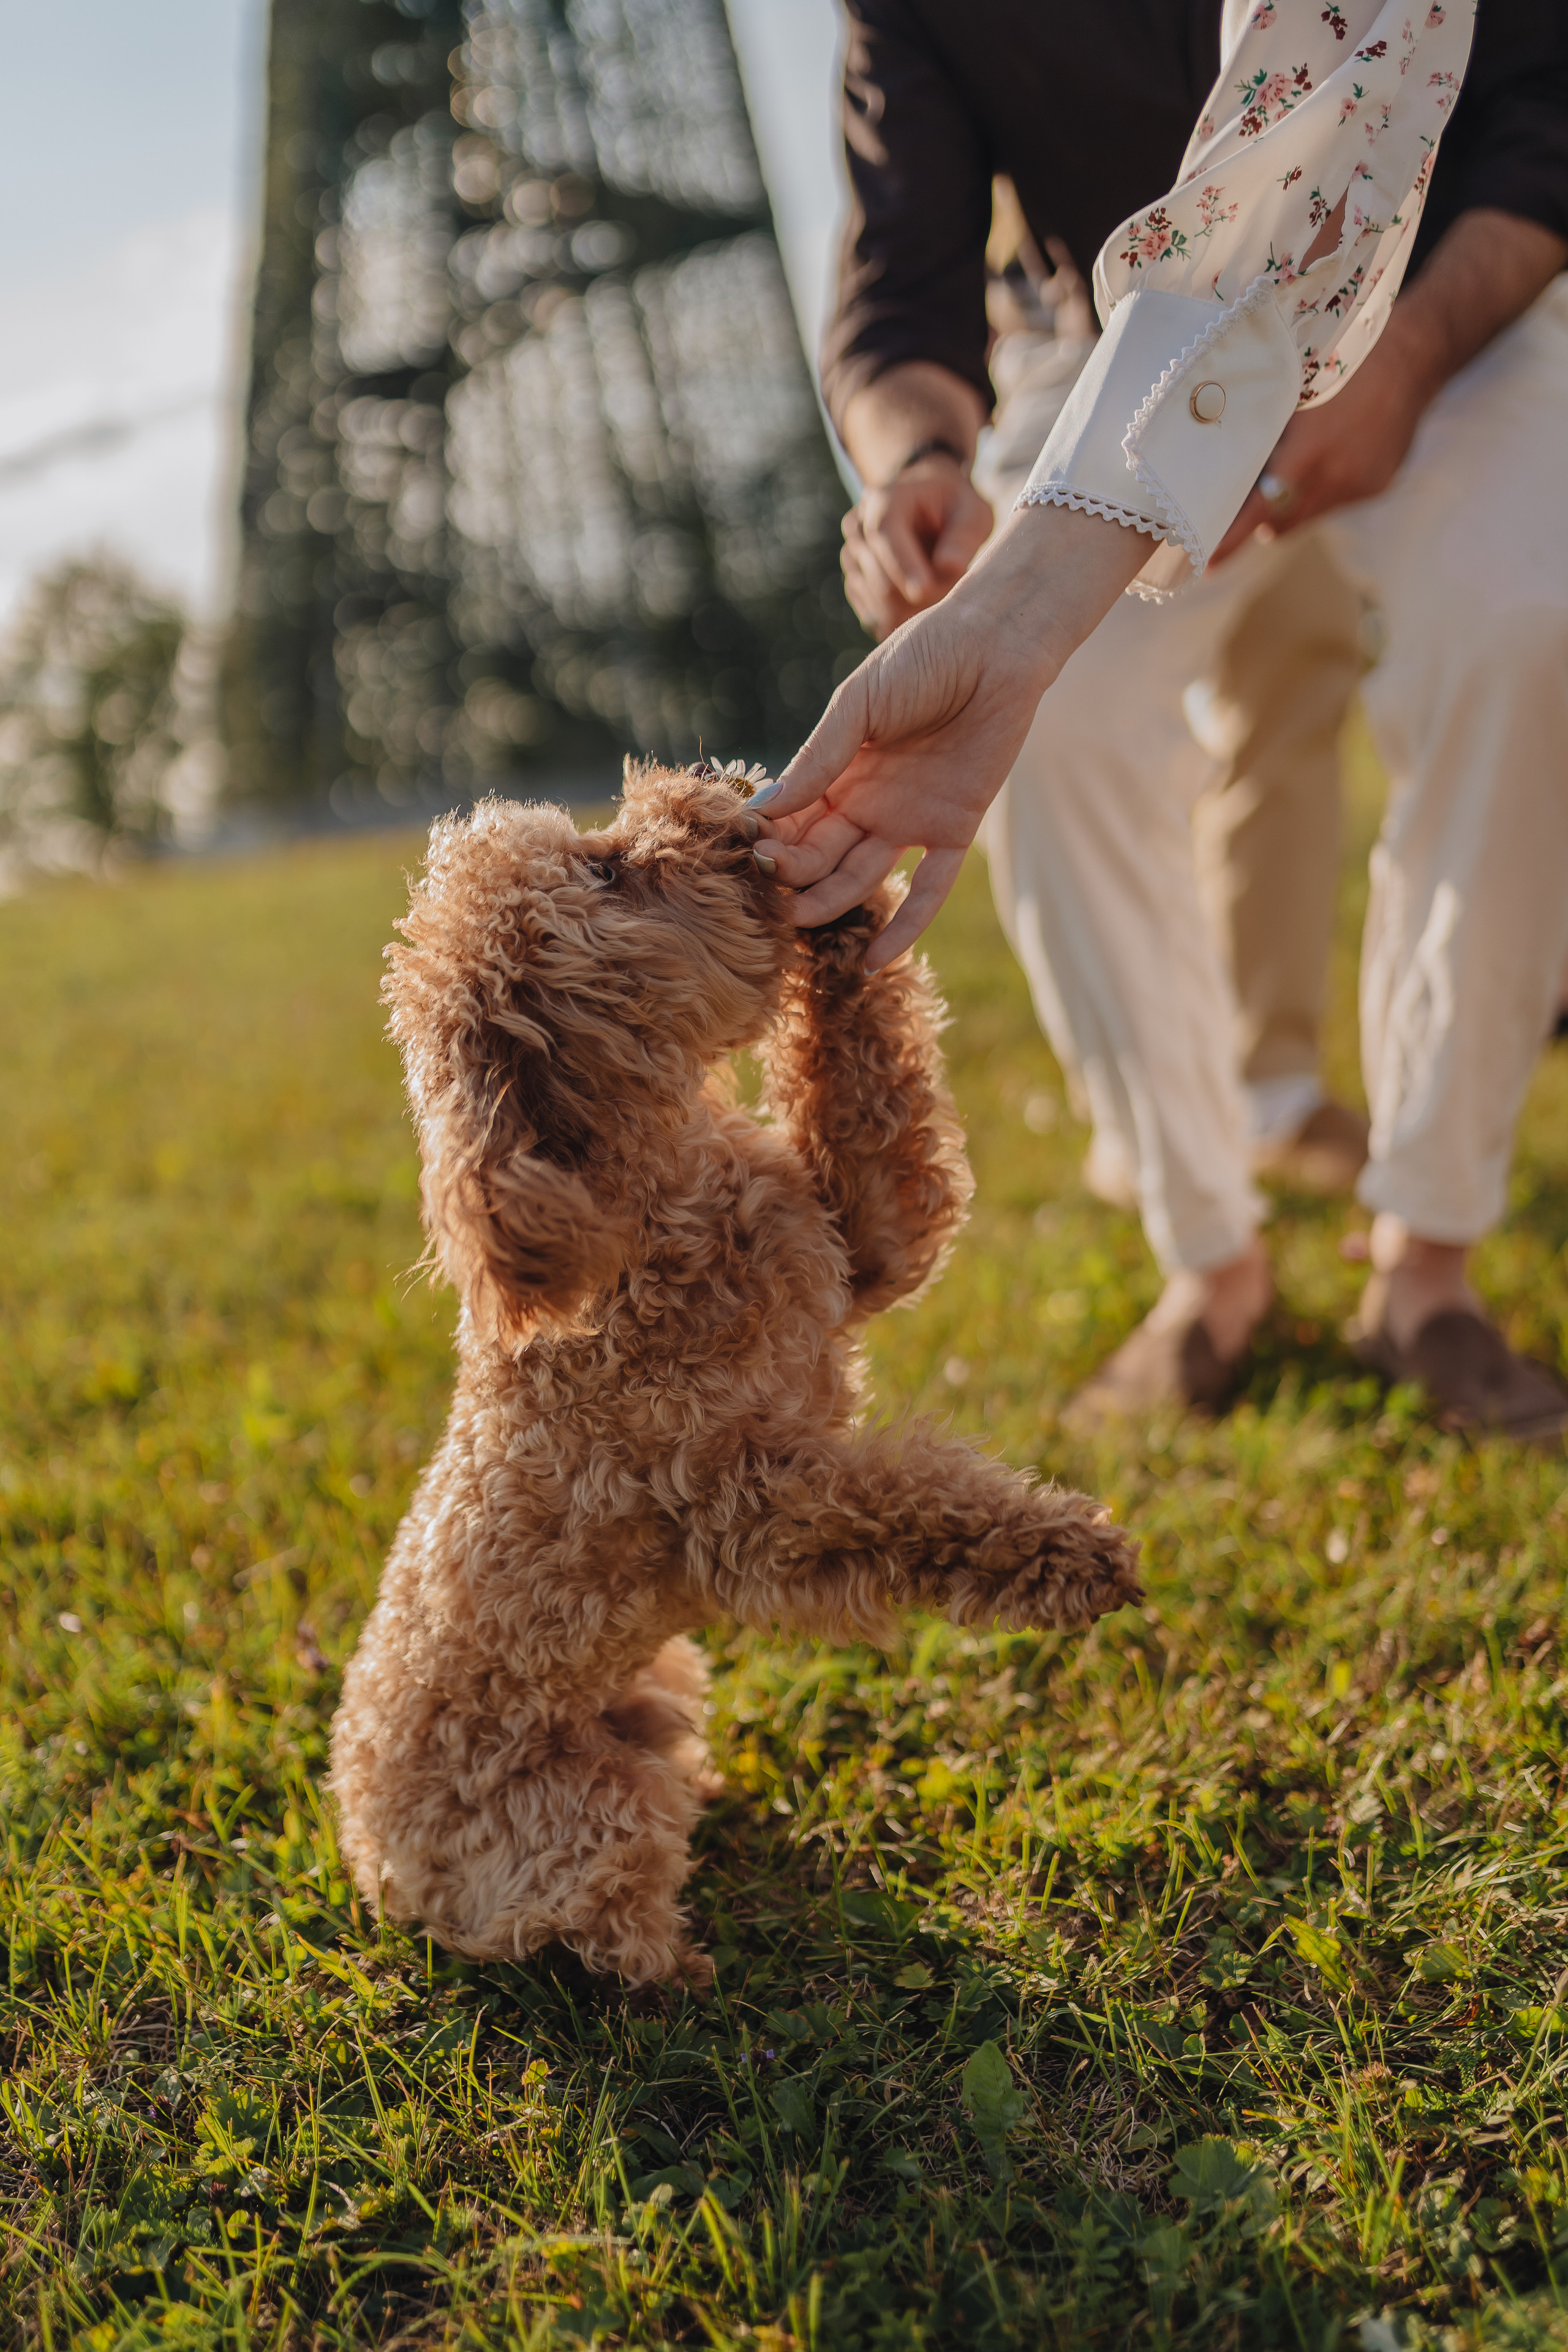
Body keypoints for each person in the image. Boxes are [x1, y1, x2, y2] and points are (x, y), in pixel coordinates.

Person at [753, 0, 1568, 1439]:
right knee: (1040, 720)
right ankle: (1208, 1256)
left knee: (1527, 619)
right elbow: (903, 279)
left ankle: (1426, 1259)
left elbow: (1537, 114)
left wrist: (1391, 364)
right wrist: (919, 470)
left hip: (1448, 302)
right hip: (1120, 340)